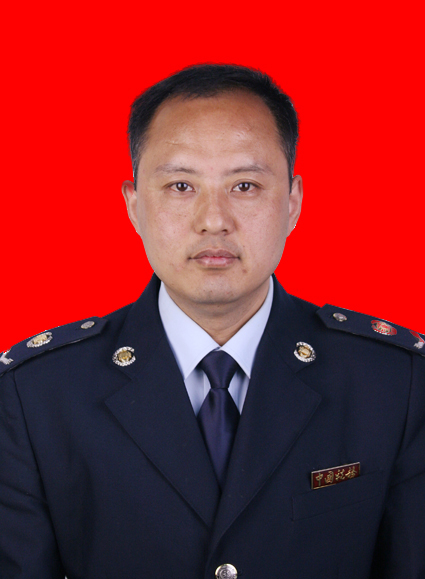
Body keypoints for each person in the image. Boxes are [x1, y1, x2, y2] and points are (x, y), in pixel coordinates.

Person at [0, 64, 424, 579]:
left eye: (245, 185)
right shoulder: (36, 396)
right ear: (133, 205)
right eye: (181, 185)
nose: (214, 220)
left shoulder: (394, 382)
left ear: (293, 202)